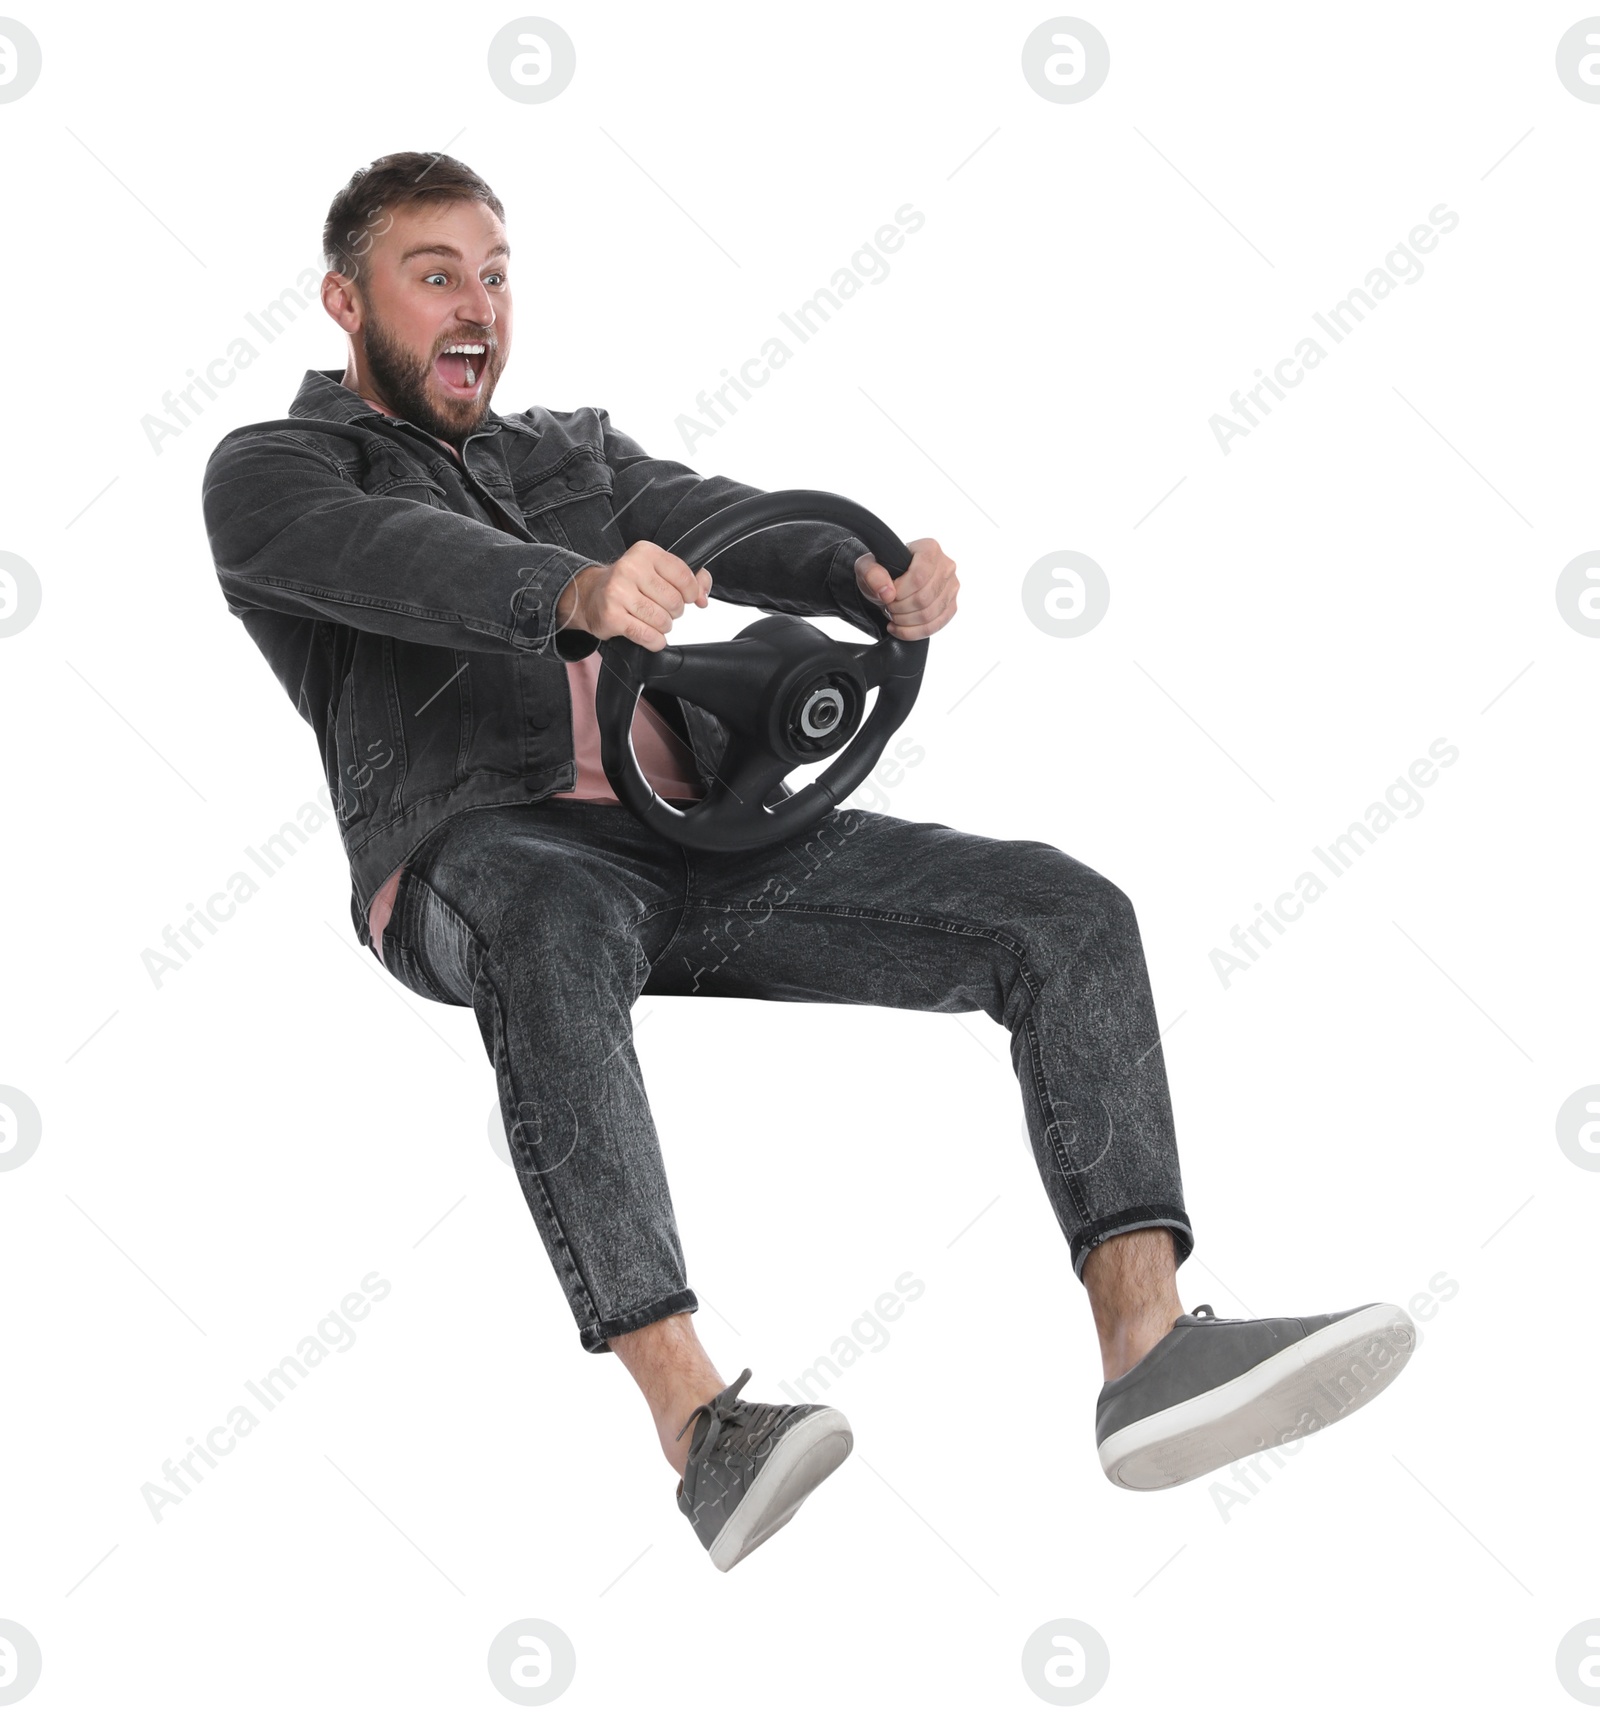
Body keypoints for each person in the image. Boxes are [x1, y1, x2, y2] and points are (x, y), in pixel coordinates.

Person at [202, 152, 1416, 1574]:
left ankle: (1148, 1349)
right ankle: (701, 1429)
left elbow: (717, 516)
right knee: (552, 918)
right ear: (347, 301)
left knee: (1062, 910)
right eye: (435, 275)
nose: (477, 304)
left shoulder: (565, 452)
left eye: (495, 273)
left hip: (685, 840)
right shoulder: (278, 471)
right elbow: (390, 558)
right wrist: (571, 592)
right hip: (481, 852)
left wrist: (866, 578)